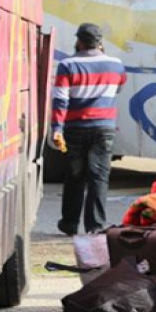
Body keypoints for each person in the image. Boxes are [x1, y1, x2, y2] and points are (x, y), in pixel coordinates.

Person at [51, 23, 127, 236]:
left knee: (75, 176)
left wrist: (57, 128)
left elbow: (60, 99)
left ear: (79, 41)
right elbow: (119, 86)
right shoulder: (116, 64)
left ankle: (70, 223)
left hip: (75, 128)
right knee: (99, 177)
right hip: (104, 128)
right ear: (100, 43)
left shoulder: (67, 65)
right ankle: (95, 226)